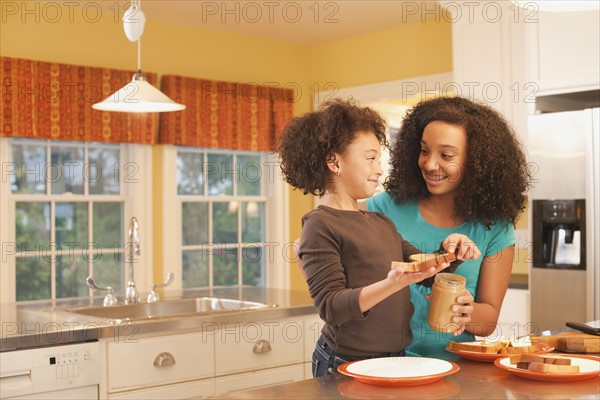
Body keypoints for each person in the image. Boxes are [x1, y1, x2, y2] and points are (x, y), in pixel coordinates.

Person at [277, 99, 481, 377]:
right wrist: (390, 284)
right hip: (344, 362)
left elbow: (423, 269)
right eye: (370, 158)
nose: (380, 170)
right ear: (334, 162)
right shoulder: (320, 225)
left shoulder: (381, 221)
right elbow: (331, 306)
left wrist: (451, 250)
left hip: (395, 359)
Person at [363, 96, 532, 358]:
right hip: (384, 363)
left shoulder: (494, 226)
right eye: (423, 150)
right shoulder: (383, 208)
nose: (430, 164)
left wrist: (467, 310)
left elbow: (487, 322)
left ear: (478, 162)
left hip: (453, 369)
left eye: (446, 155)